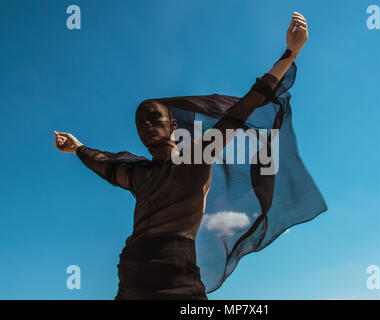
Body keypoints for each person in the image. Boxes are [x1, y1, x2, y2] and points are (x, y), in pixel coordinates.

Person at [54, 11, 310, 300]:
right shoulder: (139, 175)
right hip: (132, 273)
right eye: (140, 123)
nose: (146, 125)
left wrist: (289, 54)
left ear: (174, 125)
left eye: (153, 118)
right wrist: (77, 147)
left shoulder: (197, 157)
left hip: (176, 270)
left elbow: (243, 109)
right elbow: (103, 164)